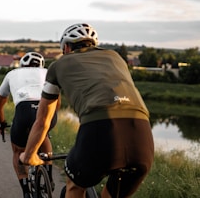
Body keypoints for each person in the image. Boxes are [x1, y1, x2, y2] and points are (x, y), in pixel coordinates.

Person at [19, 23, 154, 198]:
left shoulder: (58, 65)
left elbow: (43, 121)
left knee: (75, 186)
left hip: (100, 129)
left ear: (66, 47)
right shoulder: (116, 57)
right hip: (142, 135)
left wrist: (29, 156)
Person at [0, 52, 59, 198]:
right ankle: (48, 176)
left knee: (18, 152)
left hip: (24, 110)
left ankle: (25, 191)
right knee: (44, 134)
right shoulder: (48, 72)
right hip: (48, 109)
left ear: (22, 64)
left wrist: (2, 122)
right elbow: (57, 101)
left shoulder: (12, 73)